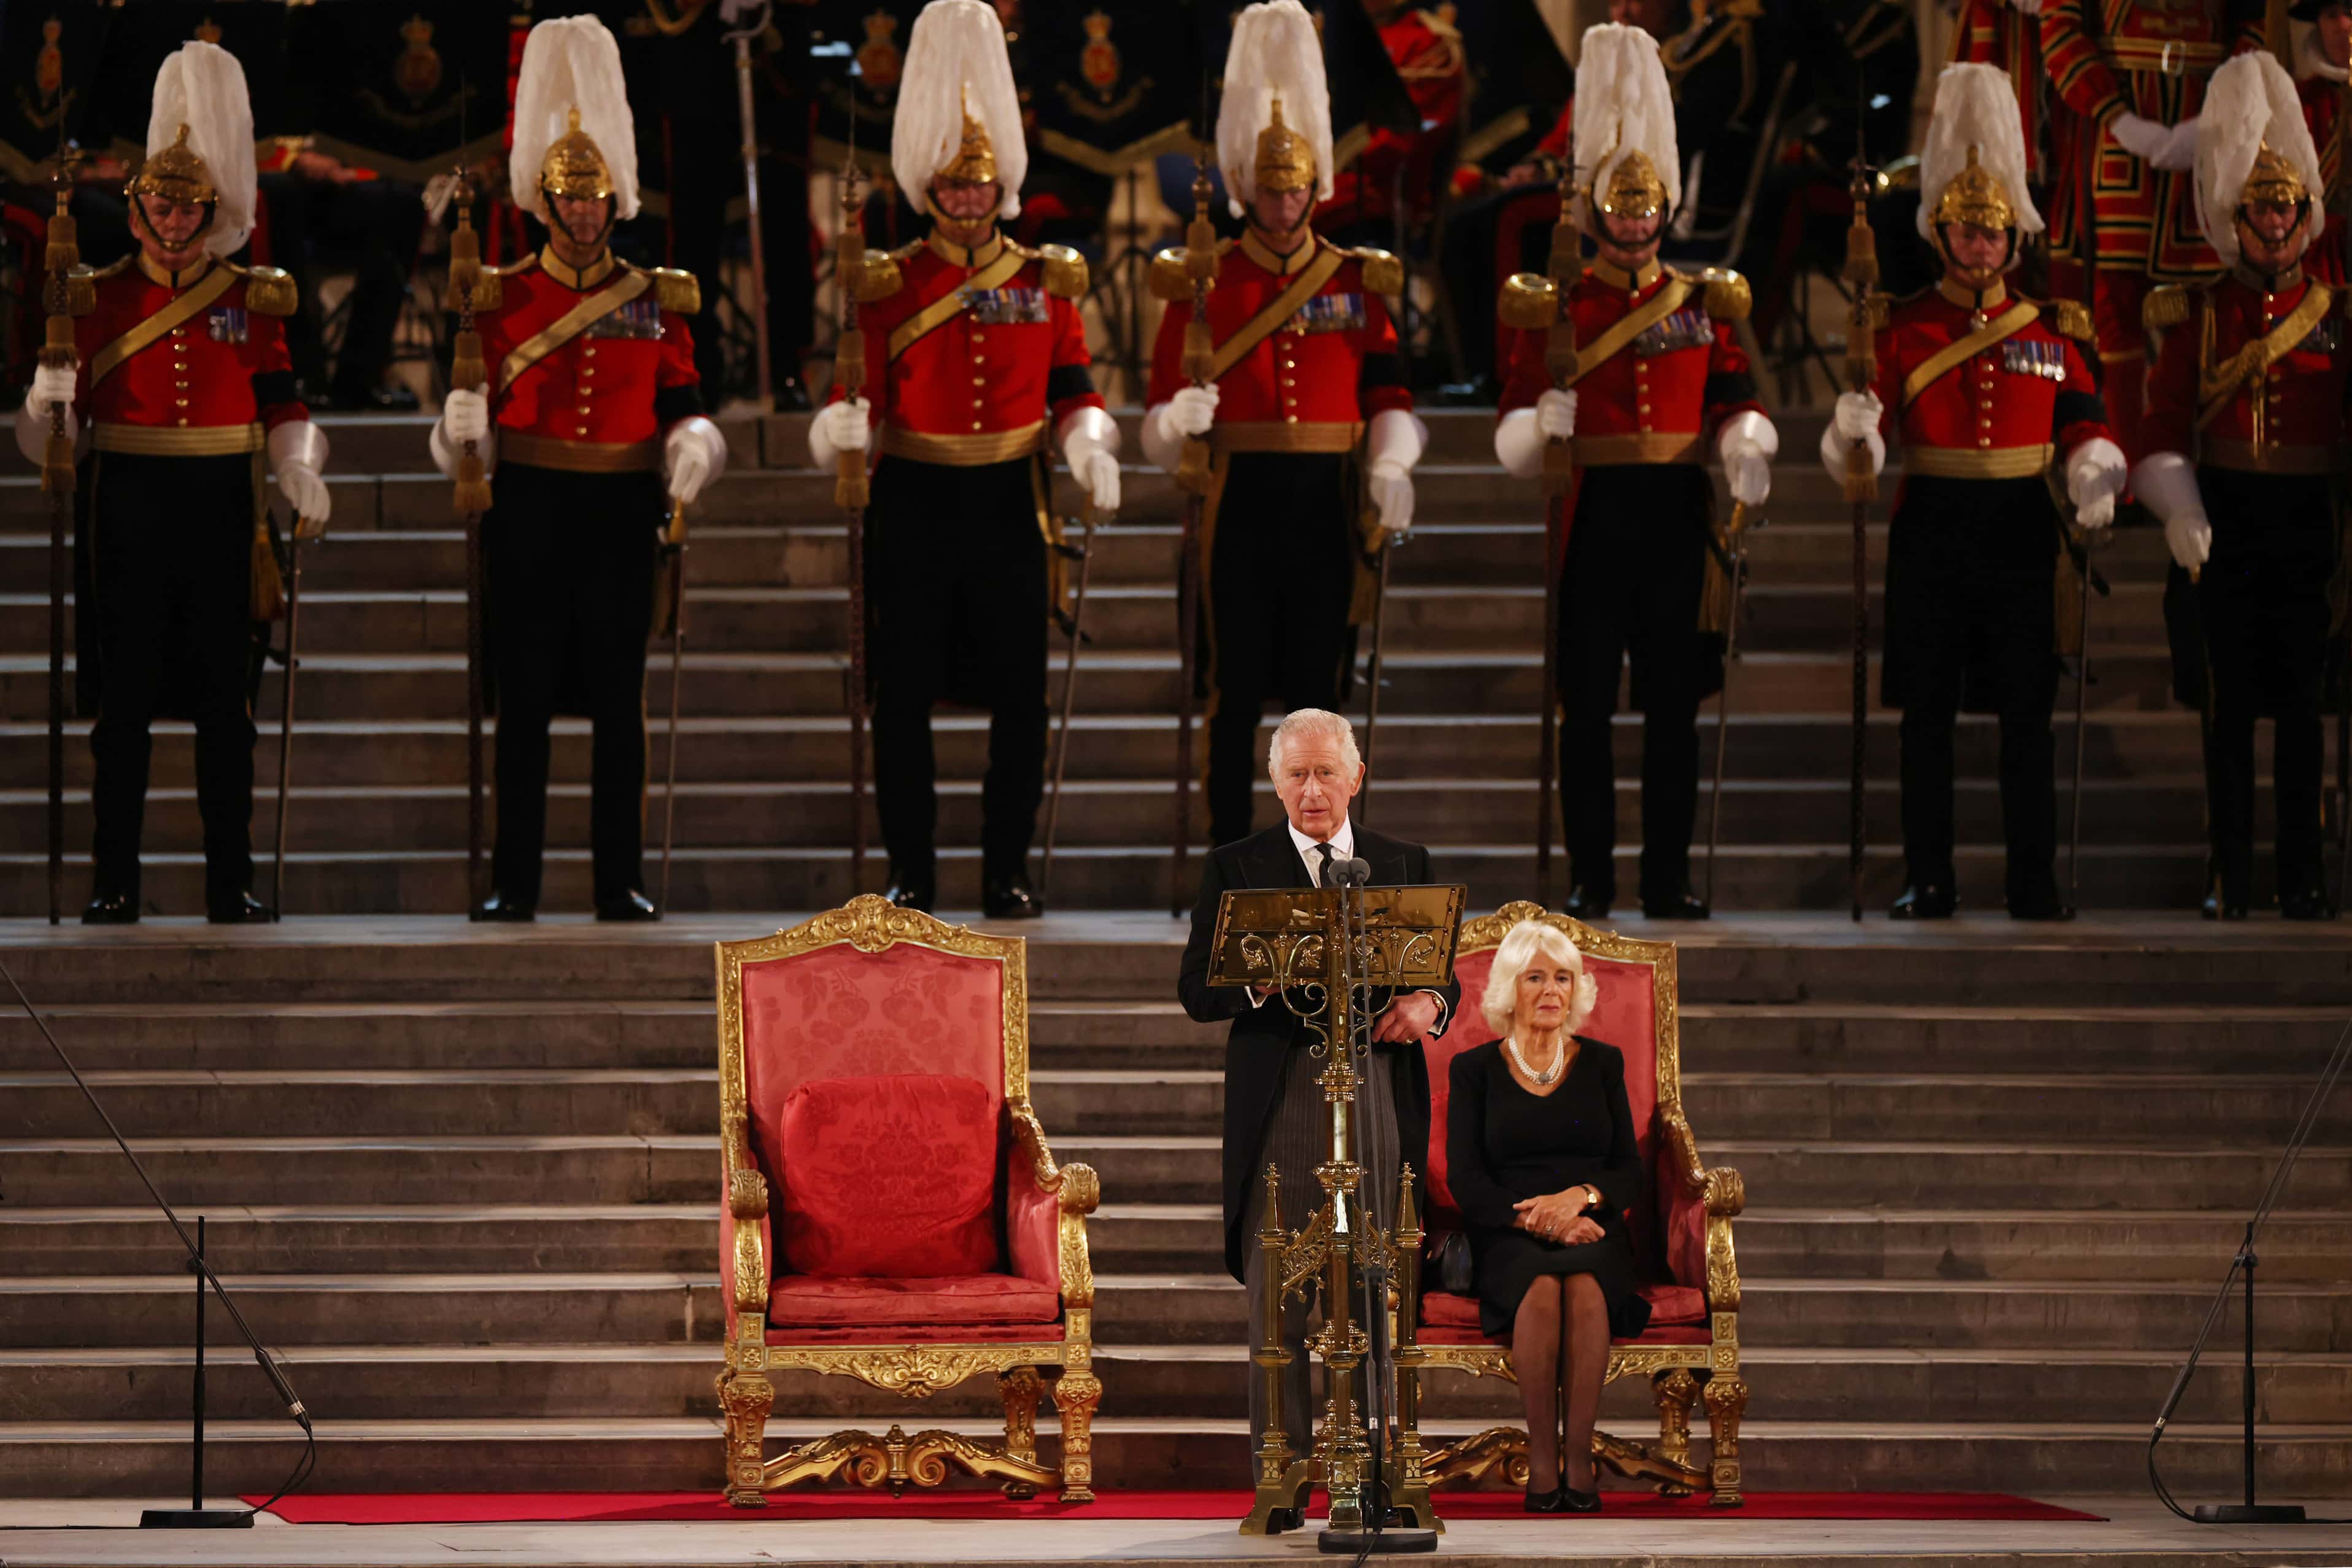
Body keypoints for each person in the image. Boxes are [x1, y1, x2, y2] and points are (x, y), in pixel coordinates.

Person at [808, 0, 1120, 919]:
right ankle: (911, 870)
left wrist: (1091, 443)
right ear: (930, 187)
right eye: (954, 182)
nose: (970, 197)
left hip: (1009, 501)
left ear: (1003, 183)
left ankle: (1004, 869)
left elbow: (1074, 387)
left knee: (1020, 702)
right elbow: (846, 392)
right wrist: (843, 430)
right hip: (912, 499)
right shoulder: (889, 279)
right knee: (900, 699)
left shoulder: (1042, 278)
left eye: (982, 182)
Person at [14, 41, 330, 924]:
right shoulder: (97, 297)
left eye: (190, 205)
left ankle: (230, 879)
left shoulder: (253, 298)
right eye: (161, 202)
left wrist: (301, 467)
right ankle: (115, 880)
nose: (176, 219)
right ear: (139, 205)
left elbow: (282, 403)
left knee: (227, 711)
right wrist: (46, 402)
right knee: (125, 709)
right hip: (128, 509)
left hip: (225, 509)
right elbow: (48, 444)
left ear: (211, 209)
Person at [431, 15, 728, 922]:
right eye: (572, 198)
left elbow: (685, 407)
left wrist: (695, 451)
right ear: (545, 201)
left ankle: (618, 879)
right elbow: (463, 428)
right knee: (521, 701)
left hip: (618, 509)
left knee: (616, 703)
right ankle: (512, 881)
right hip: (529, 504)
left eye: (599, 199)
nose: (587, 212)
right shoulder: (502, 292)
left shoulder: (656, 297)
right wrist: (456, 432)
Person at [1824, 64, 2126, 921]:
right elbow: (1863, 437)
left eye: (1995, 233)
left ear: (2015, 240)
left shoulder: (2054, 329)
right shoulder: (1900, 323)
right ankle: (1932, 877)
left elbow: (2083, 420)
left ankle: (2034, 879)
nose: (1982, 246)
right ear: (1941, 232)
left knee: (2027, 716)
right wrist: (1855, 429)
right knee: (1928, 720)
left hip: (2023, 527)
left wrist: (2097, 465)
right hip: (1933, 526)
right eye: (1967, 230)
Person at [1492, 23, 1777, 921]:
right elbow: (1512, 410)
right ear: (1596, 211)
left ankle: (1665, 877)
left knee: (1672, 712)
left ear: (1665, 210)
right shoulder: (1561, 304)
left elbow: (1734, 394)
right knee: (1586, 711)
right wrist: (1540, 422)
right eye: (1621, 210)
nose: (1635, 222)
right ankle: (1591, 877)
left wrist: (1746, 446)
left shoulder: (1699, 302)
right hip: (1593, 511)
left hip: (1674, 512)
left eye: (1647, 209)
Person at [1142, 0, 1425, 852]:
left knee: (1321, 695)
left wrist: (1393, 465)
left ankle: (1326, 855)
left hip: (1328, 500)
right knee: (1234, 692)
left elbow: (1390, 395)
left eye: (1296, 186)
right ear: (1247, 189)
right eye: (1269, 188)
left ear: (1315, 186)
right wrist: (1176, 423)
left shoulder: (1355, 279)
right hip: (1240, 499)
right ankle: (1230, 850)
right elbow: (1158, 414)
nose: (1284, 200)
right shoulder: (1204, 280)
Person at [1176, 707, 1460, 1473]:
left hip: (1376, 1087)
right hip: (1284, 1096)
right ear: (1275, 782)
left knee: (1379, 1282)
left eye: (1326, 772)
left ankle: (1384, 1461)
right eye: (1296, 774)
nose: (1312, 790)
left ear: (1355, 778)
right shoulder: (1237, 863)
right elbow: (1195, 989)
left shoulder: (1403, 859)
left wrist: (1428, 1005)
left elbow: (1442, 974)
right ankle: (1283, 1467)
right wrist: (1258, 984)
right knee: (1281, 1291)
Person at [2133, 51, 2346, 919]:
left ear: (2305, 215)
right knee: (2226, 712)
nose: (2272, 221)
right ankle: (2228, 871)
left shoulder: (2337, 314)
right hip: (2225, 519)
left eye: (2284, 206)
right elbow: (2159, 426)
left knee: (2302, 714)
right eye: (2259, 206)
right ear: (2235, 213)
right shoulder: (2201, 312)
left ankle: (2302, 874)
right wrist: (2178, 503)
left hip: (2312, 524)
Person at [1444, 917, 1644, 1513]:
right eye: (1536, 976)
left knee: (1583, 1286)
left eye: (1563, 976)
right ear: (1510, 988)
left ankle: (1577, 1460)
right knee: (1538, 1288)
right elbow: (1466, 1178)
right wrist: (1539, 1218)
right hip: (1507, 1228)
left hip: (1593, 1223)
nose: (1552, 989)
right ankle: (1540, 1458)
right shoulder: (1474, 1069)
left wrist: (1579, 1199)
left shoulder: (1603, 1063)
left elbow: (1627, 1169)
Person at [2039, 0, 2267, 457]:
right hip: (2120, 128)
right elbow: (2059, 27)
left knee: (2204, 301)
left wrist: (2217, 115)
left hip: (2207, 124)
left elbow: (2255, 28)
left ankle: (2186, 459)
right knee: (2116, 305)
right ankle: (2125, 461)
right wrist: (2118, 119)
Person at [2291, 0, 2349, 284]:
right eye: (2331, 15)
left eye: (2351, 12)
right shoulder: (2298, 101)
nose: (2343, 26)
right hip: (2321, 263)